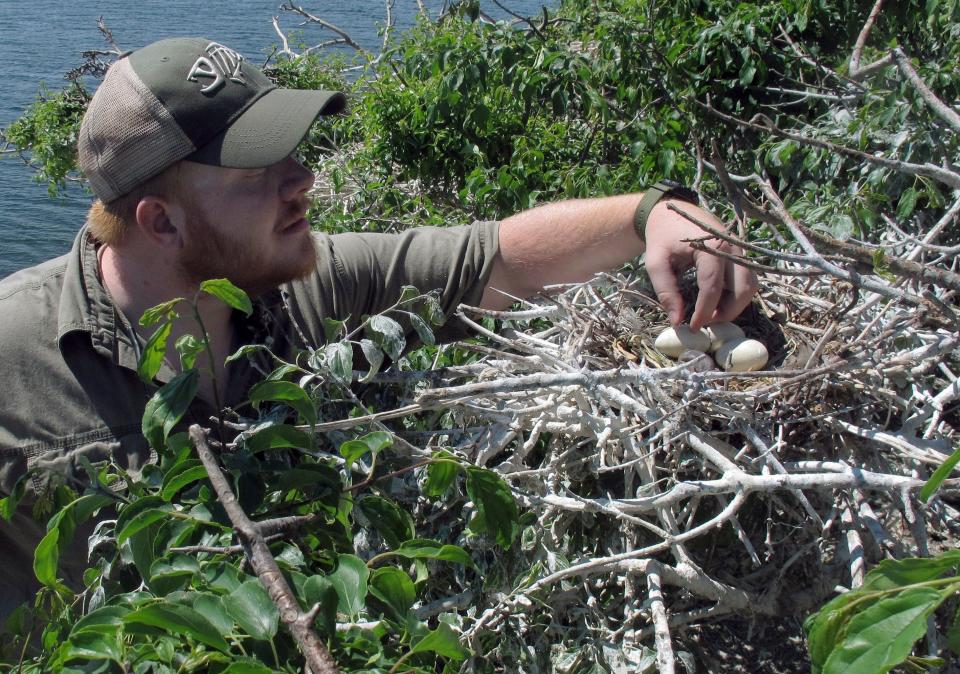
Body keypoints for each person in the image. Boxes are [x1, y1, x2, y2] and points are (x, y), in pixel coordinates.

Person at [0, 37, 756, 614]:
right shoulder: (12, 359)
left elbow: (496, 258)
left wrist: (656, 212)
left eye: (291, 153)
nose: (302, 183)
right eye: (255, 171)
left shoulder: (305, 281)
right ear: (159, 222)